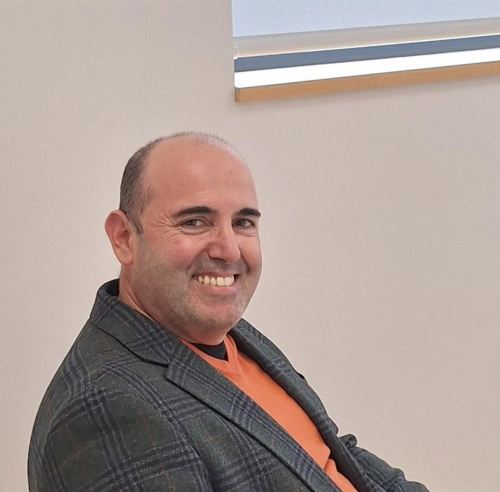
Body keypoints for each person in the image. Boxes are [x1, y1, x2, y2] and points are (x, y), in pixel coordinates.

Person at [28, 132, 428, 492]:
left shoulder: (227, 336)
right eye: (194, 222)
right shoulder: (105, 410)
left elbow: (332, 455)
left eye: (243, 222)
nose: (229, 249)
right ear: (123, 238)